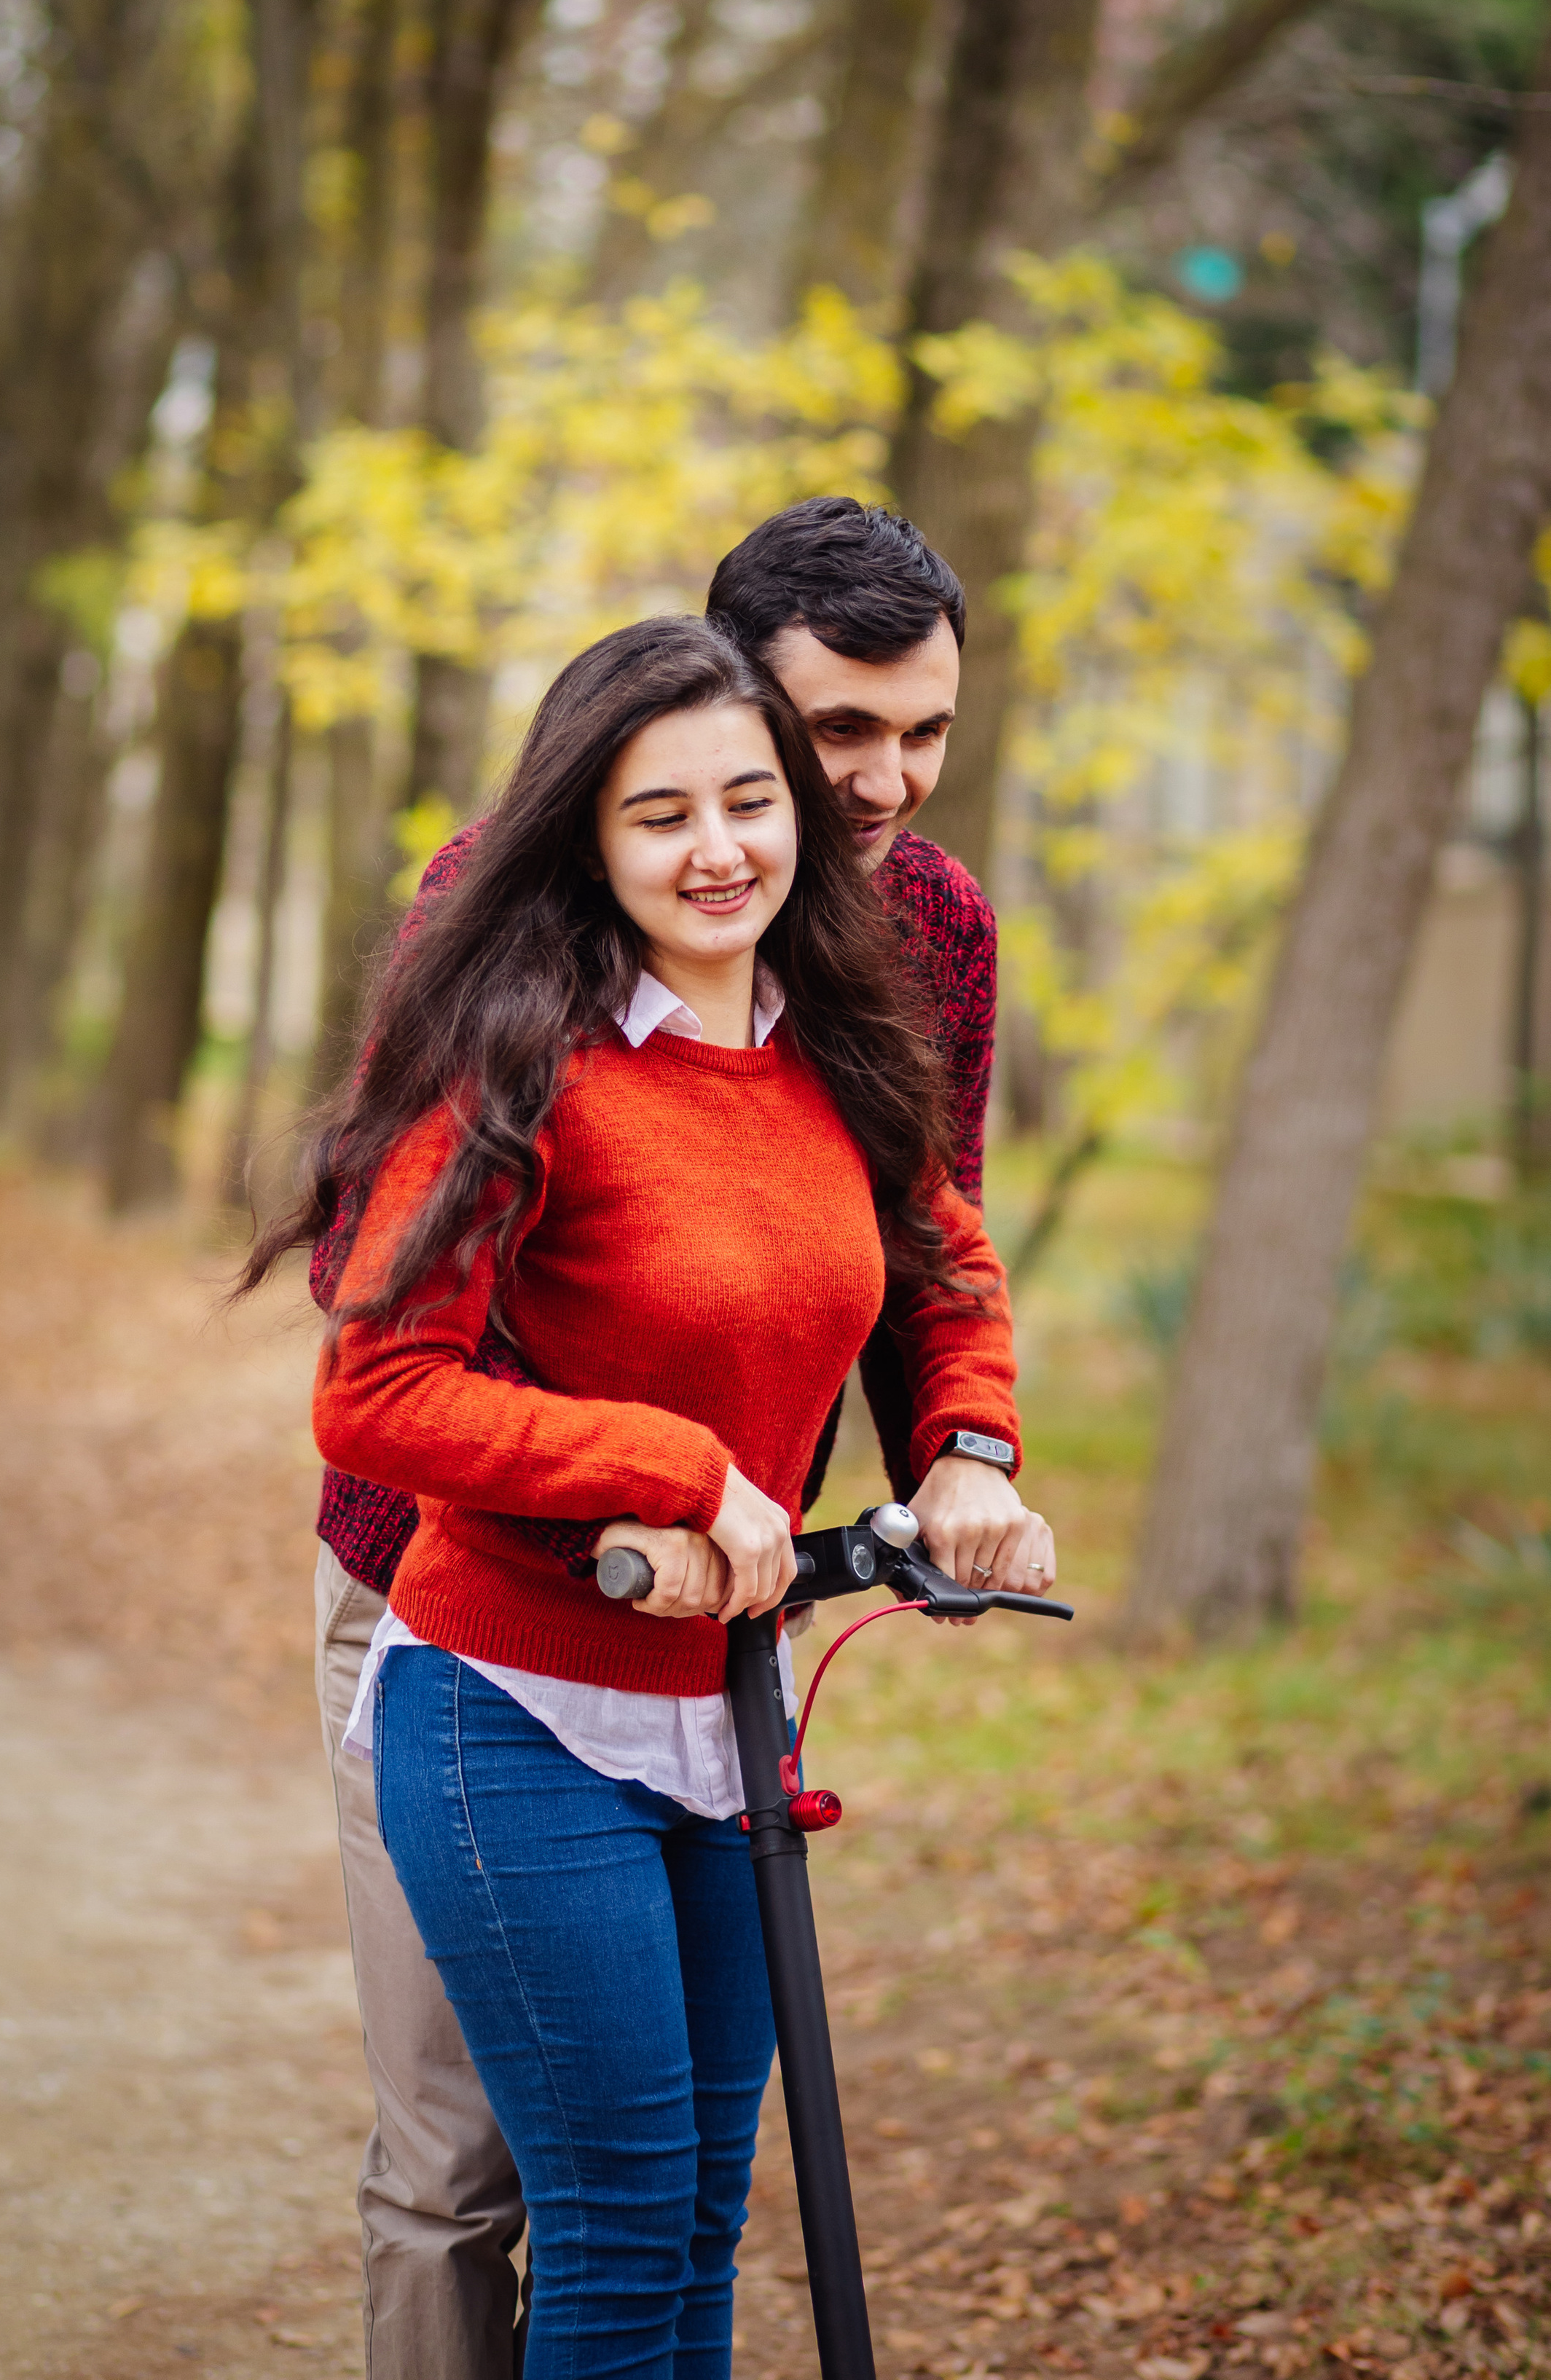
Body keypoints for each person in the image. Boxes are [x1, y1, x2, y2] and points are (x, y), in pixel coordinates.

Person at [248, 616, 1050, 2378]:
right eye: (659, 814)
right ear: (587, 844)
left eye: (749, 802)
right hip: (513, 1708)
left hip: (729, 1708)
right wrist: (676, 1467)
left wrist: (967, 1450)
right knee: (609, 2230)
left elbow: (941, 1254)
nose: (718, 850)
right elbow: (374, 1387)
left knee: (693, 2229)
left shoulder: (837, 1038)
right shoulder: (515, 1056)